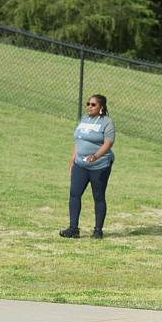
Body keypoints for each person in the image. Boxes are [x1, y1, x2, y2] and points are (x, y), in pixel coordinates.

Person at [59, 94, 115, 239]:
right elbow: (78, 140)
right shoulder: (84, 119)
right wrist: (73, 160)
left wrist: (96, 156)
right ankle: (73, 229)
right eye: (88, 104)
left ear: (101, 108)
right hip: (80, 164)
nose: (89, 107)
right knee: (74, 194)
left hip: (100, 166)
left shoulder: (107, 122)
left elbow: (108, 143)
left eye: (93, 104)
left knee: (98, 197)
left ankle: (98, 230)